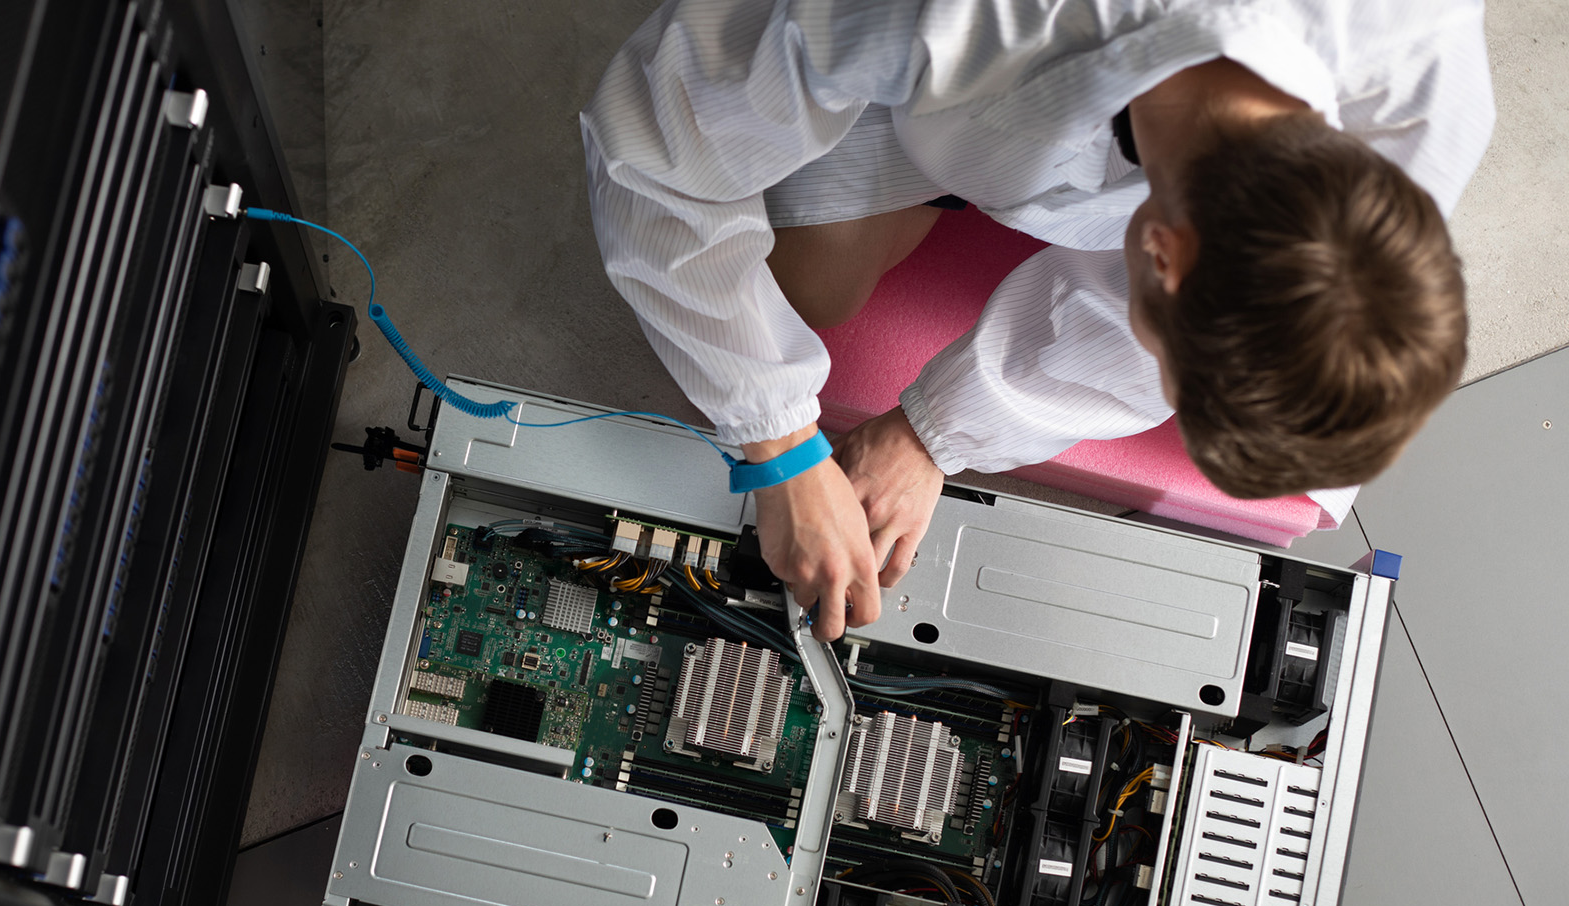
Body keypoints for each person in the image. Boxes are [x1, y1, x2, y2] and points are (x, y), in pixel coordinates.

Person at [581, 0, 1493, 640]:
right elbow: (656, 151)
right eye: (1161, 352)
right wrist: (776, 445)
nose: (1146, 371)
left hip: (1036, 128)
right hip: (929, 75)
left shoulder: (1418, 102)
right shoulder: (967, 17)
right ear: (1164, 257)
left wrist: (930, 432)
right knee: (799, 291)